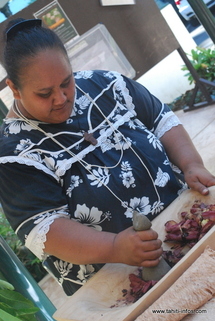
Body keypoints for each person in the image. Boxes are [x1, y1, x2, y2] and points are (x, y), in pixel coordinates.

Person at [0, 18, 215, 295]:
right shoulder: (13, 155)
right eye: (44, 93)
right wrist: (114, 247)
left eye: (66, 82)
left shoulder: (106, 84)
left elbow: (160, 118)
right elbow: (44, 228)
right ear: (14, 89)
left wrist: (191, 163)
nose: (61, 98)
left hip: (183, 231)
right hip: (118, 281)